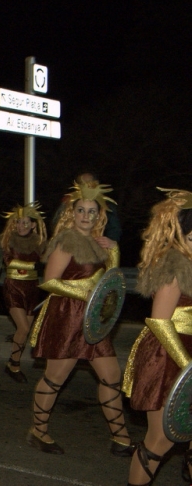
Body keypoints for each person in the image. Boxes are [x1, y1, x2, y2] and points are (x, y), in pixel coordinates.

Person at [27, 180, 133, 456]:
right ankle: (38, 431)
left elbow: (111, 280)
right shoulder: (66, 240)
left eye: (92, 212)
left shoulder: (99, 242)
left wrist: (114, 249)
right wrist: (86, 294)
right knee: (54, 378)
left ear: (100, 216)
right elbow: (49, 282)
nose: (86, 216)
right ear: (71, 213)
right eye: (81, 211)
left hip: (95, 321)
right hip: (68, 316)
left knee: (111, 376)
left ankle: (121, 438)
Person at [123, 188, 192, 485]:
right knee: (159, 441)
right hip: (166, 356)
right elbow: (161, 323)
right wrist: (187, 367)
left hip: (187, 354)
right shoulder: (174, 266)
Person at [0, 202, 47, 383]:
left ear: (33, 225)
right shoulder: (7, 240)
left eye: (26, 223)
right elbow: (8, 262)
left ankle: (12, 363)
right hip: (14, 288)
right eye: (18, 222)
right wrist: (32, 265)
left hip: (32, 289)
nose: (21, 226)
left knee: (24, 331)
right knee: (24, 327)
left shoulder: (40, 243)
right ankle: (14, 364)